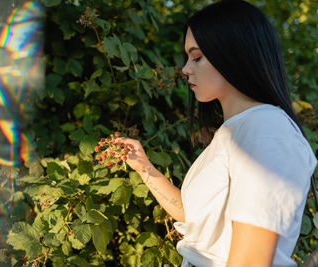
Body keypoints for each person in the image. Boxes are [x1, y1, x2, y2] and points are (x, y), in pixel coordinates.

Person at [115, 0, 318, 266]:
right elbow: (199, 221)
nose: (186, 68)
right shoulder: (237, 131)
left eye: (197, 57)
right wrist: (145, 169)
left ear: (234, 53)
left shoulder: (265, 130)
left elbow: (251, 261)